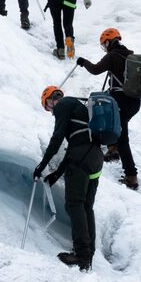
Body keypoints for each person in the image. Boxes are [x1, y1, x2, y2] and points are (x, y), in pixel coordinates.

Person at [34, 85, 104, 271]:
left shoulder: (63, 105)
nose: (50, 112)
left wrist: (41, 165)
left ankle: (81, 255)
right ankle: (87, 253)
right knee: (85, 205)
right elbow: (75, 143)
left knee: (74, 204)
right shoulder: (77, 106)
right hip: (95, 158)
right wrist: (57, 173)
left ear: (50, 99)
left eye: (47, 107)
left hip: (82, 157)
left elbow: (57, 139)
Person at [77, 28, 141, 190]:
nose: (104, 47)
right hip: (134, 102)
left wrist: (83, 62)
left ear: (108, 42)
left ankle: (131, 176)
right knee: (118, 126)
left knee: (123, 137)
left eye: (103, 44)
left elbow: (96, 70)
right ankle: (113, 148)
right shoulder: (130, 55)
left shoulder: (113, 55)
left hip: (121, 101)